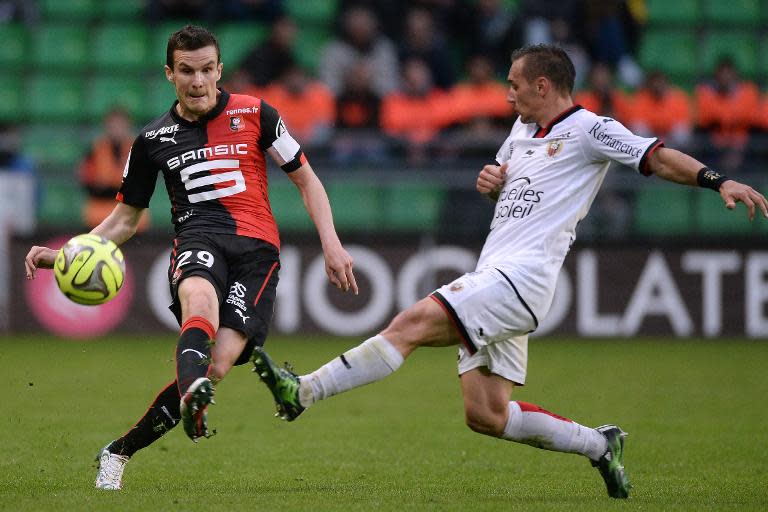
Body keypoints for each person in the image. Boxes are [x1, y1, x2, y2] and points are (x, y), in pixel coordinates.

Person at [252, 44, 768, 500]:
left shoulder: (591, 129)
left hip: (522, 278)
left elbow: (656, 158)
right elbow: (507, 180)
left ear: (543, 85)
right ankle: (599, 443)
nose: (507, 95)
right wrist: (492, 179)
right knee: (487, 415)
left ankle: (304, 391)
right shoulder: (522, 130)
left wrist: (716, 180)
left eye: (515, 85)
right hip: (498, 273)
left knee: (408, 325)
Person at [23, 25, 357, 491]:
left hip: (257, 253)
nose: (197, 81)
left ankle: (119, 449)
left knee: (216, 365)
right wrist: (66, 253)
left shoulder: (257, 114)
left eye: (206, 70)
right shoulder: (153, 140)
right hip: (198, 239)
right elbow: (123, 219)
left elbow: (307, 180)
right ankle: (192, 392)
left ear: (219, 70)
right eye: (186, 71)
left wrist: (332, 242)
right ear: (169, 73)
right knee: (198, 300)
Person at [79, 106, 149, 231]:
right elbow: (87, 181)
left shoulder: (137, 149)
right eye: (113, 125)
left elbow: (142, 185)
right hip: (99, 212)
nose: (117, 129)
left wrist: (108, 185)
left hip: (130, 214)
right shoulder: (95, 149)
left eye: (120, 125)